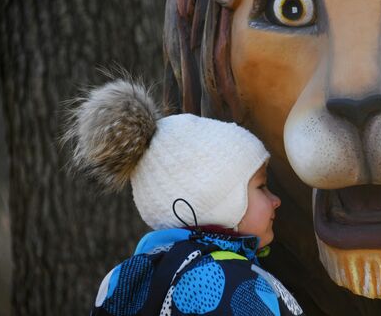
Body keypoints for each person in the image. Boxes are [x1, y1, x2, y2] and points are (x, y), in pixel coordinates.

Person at [64, 79, 304, 316]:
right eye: (261, 186)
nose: (276, 200)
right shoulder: (230, 282)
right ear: (214, 199)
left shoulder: (131, 279)